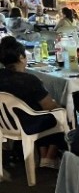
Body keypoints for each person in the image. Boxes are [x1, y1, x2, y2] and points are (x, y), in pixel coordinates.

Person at [0, 36, 65, 168]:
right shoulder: (29, 80)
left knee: (41, 111)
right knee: (60, 113)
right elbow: (50, 106)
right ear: (21, 57)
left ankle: (44, 155)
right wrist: (61, 106)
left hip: (4, 123)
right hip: (27, 124)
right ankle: (49, 156)